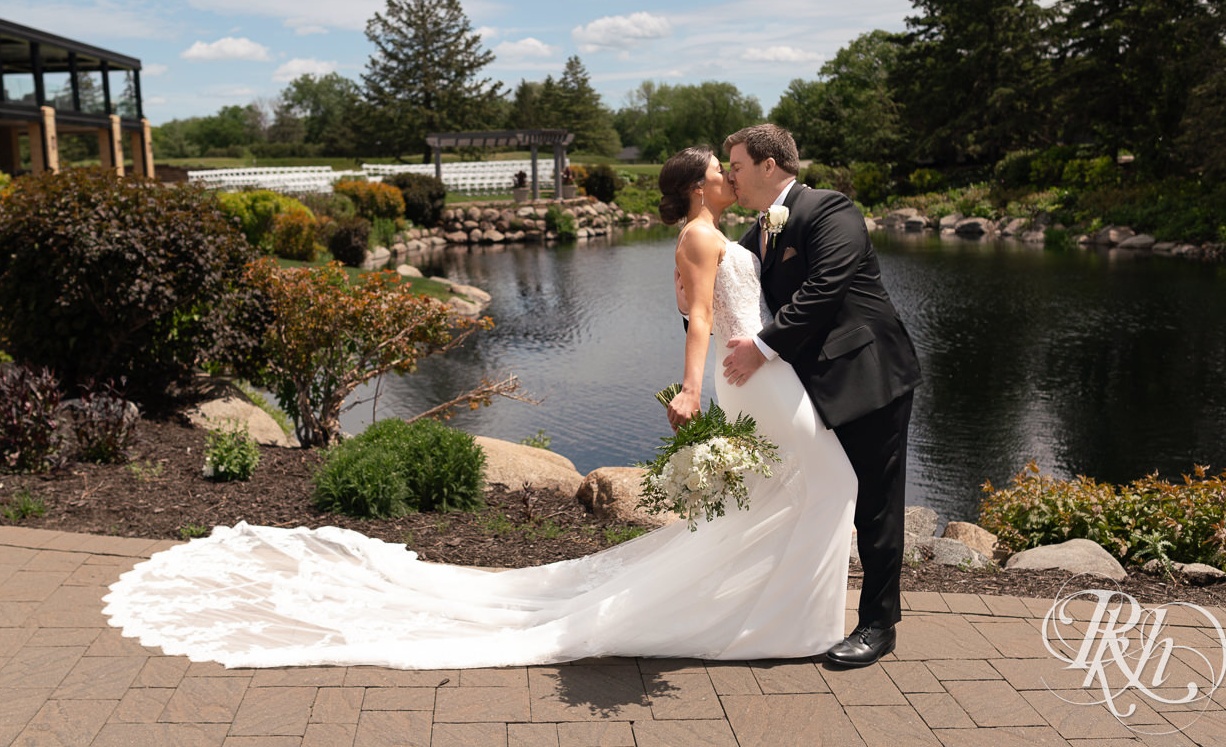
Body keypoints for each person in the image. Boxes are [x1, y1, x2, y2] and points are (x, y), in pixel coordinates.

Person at [103, 144, 855, 669]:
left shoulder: (730, 231)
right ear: (698, 186)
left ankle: (774, 617)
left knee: (787, 495)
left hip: (763, 373)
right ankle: (777, 620)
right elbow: (698, 320)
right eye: (720, 170)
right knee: (826, 484)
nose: (729, 175)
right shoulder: (700, 236)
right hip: (747, 376)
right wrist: (691, 389)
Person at [720, 123, 921, 668]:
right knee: (813, 495)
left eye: (736, 166)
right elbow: (732, 287)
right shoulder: (757, 232)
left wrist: (760, 348)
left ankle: (880, 624)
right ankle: (801, 610)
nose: (731, 177)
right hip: (807, 390)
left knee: (876, 506)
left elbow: (825, 287)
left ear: (768, 165)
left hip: (867, 376)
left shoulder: (830, 210)